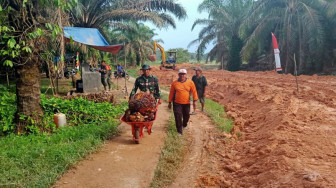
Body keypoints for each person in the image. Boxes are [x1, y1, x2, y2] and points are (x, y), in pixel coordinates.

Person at [168, 69, 198, 136]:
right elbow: (171, 93)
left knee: (186, 115)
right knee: (178, 116)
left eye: (183, 74)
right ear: (178, 75)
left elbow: (194, 91)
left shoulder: (190, 82)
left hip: (186, 102)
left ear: (185, 75)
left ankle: (184, 125)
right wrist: (169, 102)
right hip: (177, 103)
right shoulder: (174, 83)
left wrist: (195, 100)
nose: (182, 75)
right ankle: (179, 131)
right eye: (181, 74)